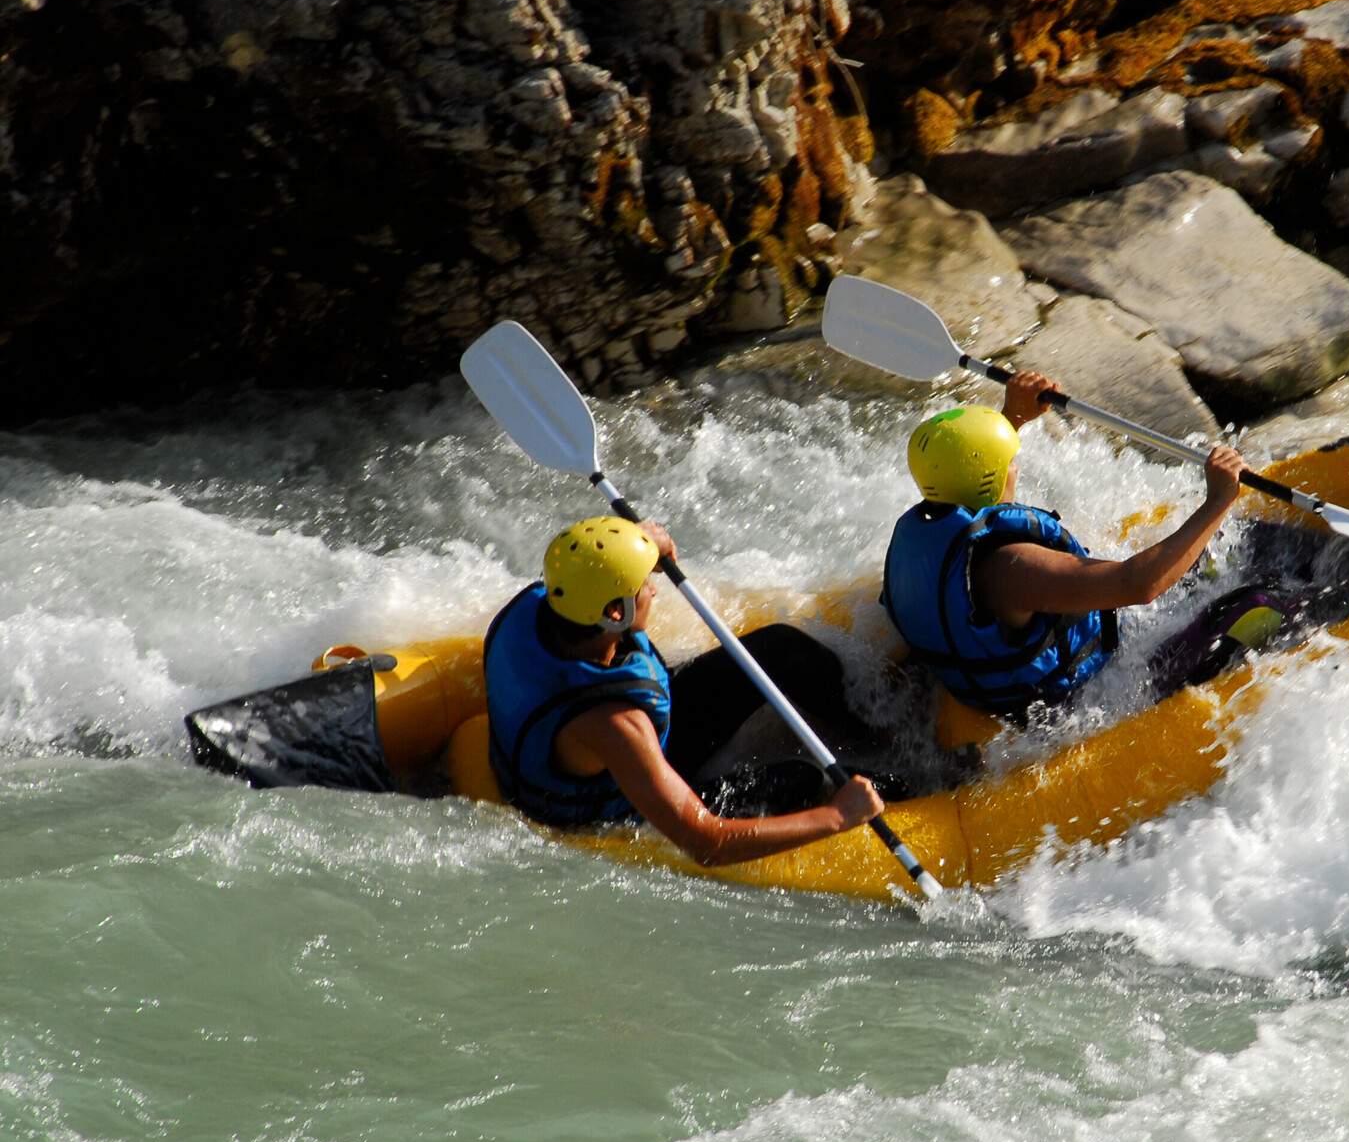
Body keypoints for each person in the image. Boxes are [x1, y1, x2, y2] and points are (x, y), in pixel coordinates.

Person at [483, 515, 887, 866]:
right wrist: (837, 815)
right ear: (615, 612)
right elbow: (708, 843)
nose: (654, 589)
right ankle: (896, 790)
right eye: (643, 584)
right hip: (617, 800)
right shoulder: (615, 725)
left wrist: (638, 543)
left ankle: (877, 733)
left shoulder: (547, 601)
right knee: (806, 779)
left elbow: (588, 562)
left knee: (783, 649)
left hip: (599, 737)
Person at [882, 371, 1248, 723]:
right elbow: (1139, 585)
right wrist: (1217, 501)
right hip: (1071, 700)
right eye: (1009, 462)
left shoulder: (927, 528)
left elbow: (970, 464)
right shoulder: (1012, 567)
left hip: (976, 678)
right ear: (990, 477)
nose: (1017, 468)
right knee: (1248, 602)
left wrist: (1013, 415)